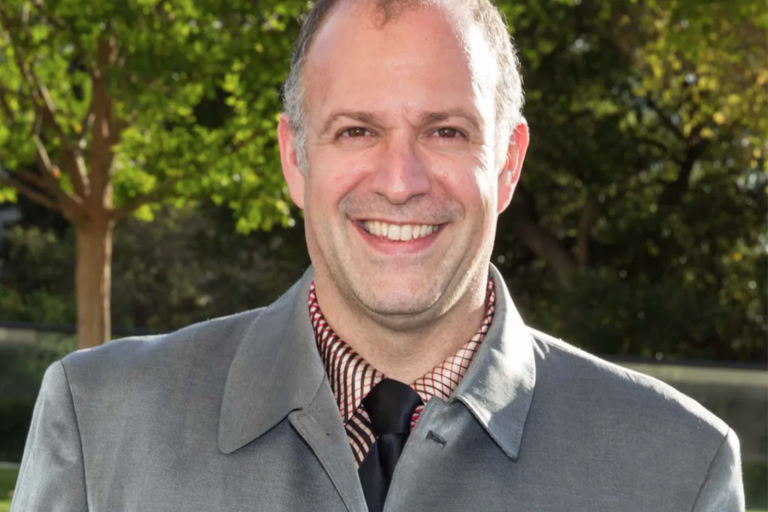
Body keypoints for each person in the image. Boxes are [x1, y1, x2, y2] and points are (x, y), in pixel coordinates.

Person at [12, 0, 744, 511]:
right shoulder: (101, 422)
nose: (400, 182)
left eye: (447, 132)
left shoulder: (678, 470)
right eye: (357, 130)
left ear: (509, 164)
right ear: (295, 159)